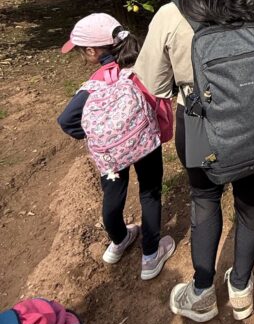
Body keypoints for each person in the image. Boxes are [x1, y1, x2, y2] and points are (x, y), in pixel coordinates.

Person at [134, 0, 254, 323]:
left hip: (199, 124)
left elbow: (154, 84)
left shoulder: (172, 14)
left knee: (204, 199)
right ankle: (241, 288)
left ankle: (202, 292)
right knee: (251, 201)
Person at [57, 14, 176, 280]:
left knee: (112, 194)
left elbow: (66, 121)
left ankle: (119, 240)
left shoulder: (94, 85)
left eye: (80, 51)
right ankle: (150, 256)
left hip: (111, 159)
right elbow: (159, 102)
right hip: (145, 146)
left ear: (92, 51)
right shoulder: (140, 70)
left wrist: (98, 135)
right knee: (150, 193)